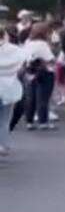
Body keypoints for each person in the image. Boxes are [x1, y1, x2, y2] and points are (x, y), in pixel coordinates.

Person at [21, 22, 56, 130]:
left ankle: (29, 121)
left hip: (30, 71)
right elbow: (50, 59)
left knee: (30, 97)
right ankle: (43, 121)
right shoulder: (42, 44)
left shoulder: (28, 42)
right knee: (42, 98)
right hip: (44, 72)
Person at [0, 27, 26, 155]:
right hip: (9, 87)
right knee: (5, 119)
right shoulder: (14, 51)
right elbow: (23, 64)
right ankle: (3, 144)